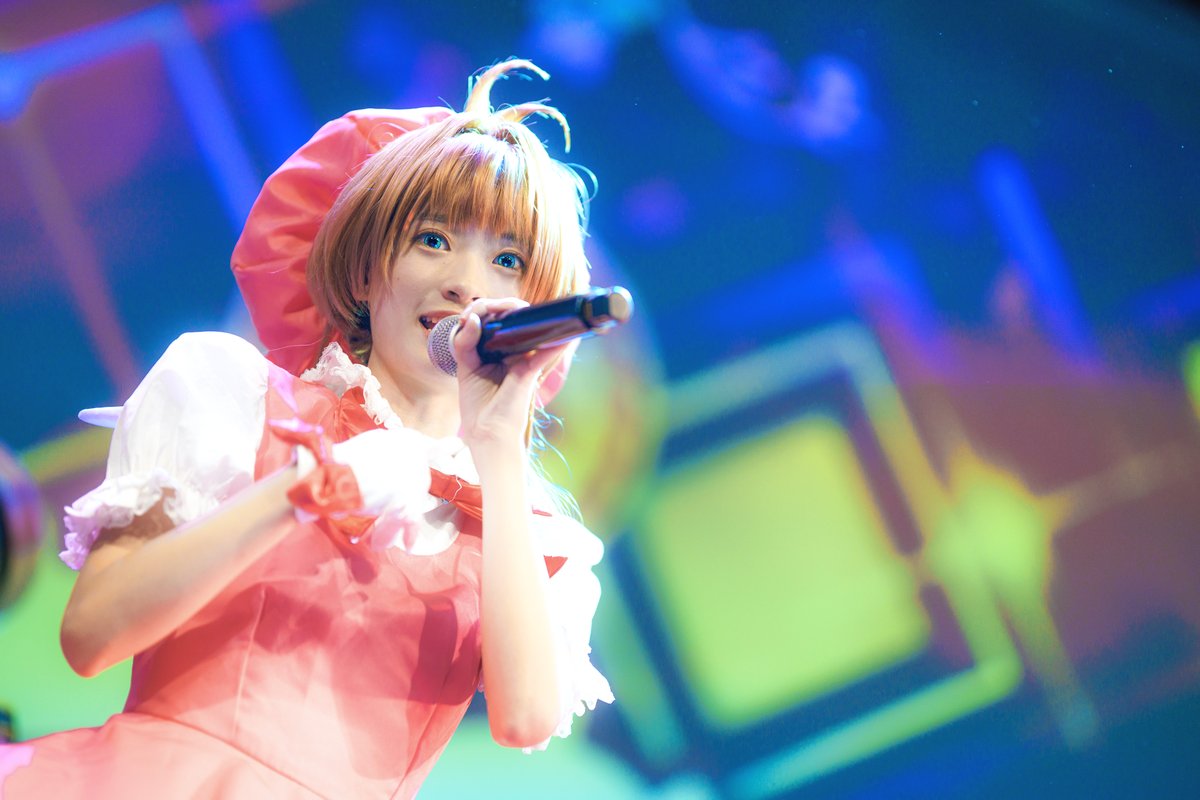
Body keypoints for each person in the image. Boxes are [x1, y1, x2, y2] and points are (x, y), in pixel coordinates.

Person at [0, 58, 613, 799]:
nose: (465, 282)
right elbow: (92, 634)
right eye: (432, 240)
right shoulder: (238, 394)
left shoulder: (520, 528)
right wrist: (301, 491)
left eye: (507, 259)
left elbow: (525, 719)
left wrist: (498, 449)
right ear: (365, 269)